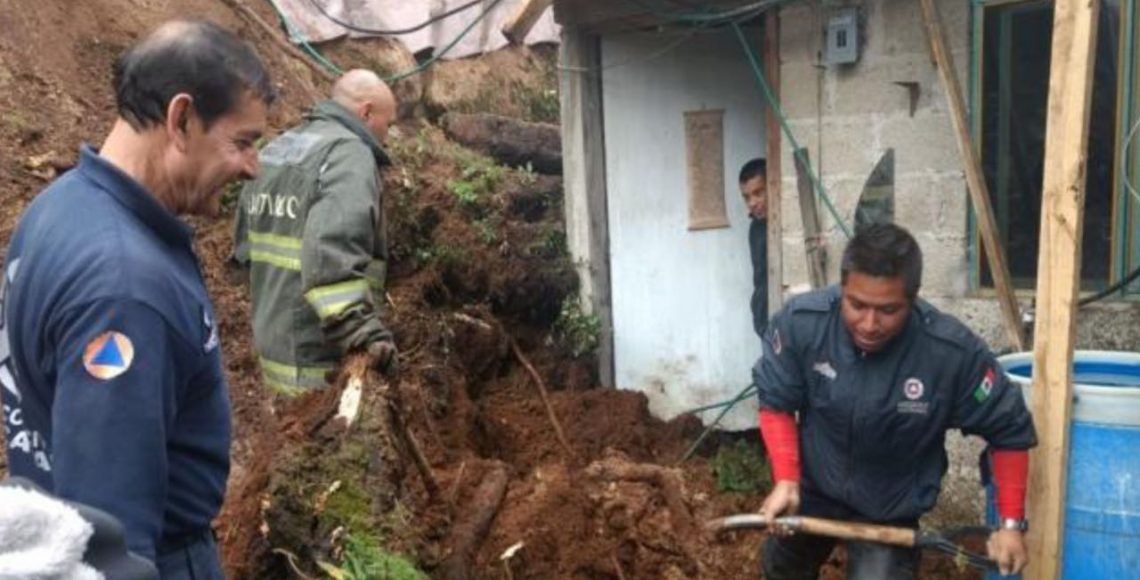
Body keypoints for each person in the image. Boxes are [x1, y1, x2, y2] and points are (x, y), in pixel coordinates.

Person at [0, 20, 273, 577]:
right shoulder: (125, 289)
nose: (251, 166)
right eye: (241, 142)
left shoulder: (59, 207)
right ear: (180, 119)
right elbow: (111, 537)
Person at [753, 223, 1036, 578]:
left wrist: (1010, 524)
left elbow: (1008, 430)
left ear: (913, 297)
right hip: (812, 492)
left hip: (887, 509)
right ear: (842, 289)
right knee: (780, 569)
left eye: (888, 310)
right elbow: (776, 402)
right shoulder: (804, 324)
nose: (869, 324)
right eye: (856, 305)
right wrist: (786, 480)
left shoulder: (950, 354)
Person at [233, 69, 398, 396]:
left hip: (273, 346)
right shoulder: (349, 155)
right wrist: (366, 335)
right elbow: (331, 258)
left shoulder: (277, 149)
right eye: (388, 124)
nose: (388, 136)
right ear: (366, 112)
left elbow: (243, 253)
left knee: (288, 438)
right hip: (319, 356)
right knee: (325, 439)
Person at [740, 158, 768, 338]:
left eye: (758, 193)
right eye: (747, 197)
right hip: (763, 319)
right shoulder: (755, 229)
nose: (752, 202)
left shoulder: (784, 225)